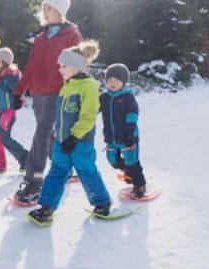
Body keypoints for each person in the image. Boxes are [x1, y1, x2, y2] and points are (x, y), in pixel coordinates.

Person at [27, 40, 113, 225]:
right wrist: (59, 137)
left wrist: (74, 138)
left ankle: (102, 203)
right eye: (59, 65)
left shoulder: (88, 86)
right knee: (56, 172)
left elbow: (88, 117)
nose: (60, 69)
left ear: (76, 66)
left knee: (87, 171)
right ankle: (46, 208)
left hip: (80, 143)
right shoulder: (67, 84)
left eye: (64, 65)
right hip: (61, 141)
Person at [12, 0, 83, 205]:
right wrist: (19, 91)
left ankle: (34, 179)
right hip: (38, 93)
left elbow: (78, 65)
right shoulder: (41, 37)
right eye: (44, 7)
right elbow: (32, 66)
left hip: (57, 92)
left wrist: (77, 94)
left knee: (42, 134)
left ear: (61, 11)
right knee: (49, 134)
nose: (45, 11)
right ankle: (64, 167)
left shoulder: (72, 35)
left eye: (50, 7)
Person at [99, 63, 148, 198]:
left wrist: (130, 132)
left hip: (128, 136)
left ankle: (140, 185)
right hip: (111, 137)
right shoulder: (104, 98)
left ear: (124, 82)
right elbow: (94, 109)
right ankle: (126, 170)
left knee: (132, 161)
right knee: (112, 160)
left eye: (116, 80)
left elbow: (132, 114)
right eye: (109, 81)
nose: (112, 83)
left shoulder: (128, 97)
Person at [0, 47, 28, 174]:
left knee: (5, 138)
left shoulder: (12, 76)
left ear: (5, 62)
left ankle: (27, 160)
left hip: (8, 113)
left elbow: (19, 90)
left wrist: (18, 101)